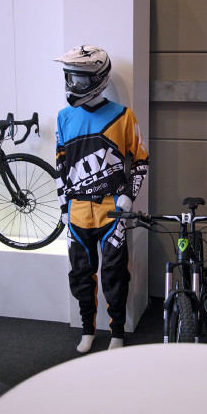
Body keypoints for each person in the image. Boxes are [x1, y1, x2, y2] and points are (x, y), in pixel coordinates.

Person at [54, 45, 149, 353]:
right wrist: (63, 206)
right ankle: (87, 330)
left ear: (98, 79)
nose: (73, 85)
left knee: (115, 275)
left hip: (112, 210)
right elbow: (60, 166)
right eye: (70, 78)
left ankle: (117, 331)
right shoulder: (64, 117)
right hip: (77, 209)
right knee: (81, 274)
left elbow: (141, 161)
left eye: (79, 79)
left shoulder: (123, 116)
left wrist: (128, 196)